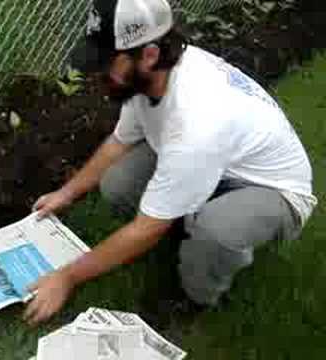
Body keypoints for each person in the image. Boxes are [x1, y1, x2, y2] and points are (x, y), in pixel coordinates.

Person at [23, 0, 318, 326]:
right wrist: (66, 193)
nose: (98, 73)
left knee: (216, 230)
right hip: (218, 162)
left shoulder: (196, 121)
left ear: (148, 55)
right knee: (118, 183)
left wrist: (67, 277)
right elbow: (118, 142)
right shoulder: (149, 77)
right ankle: (184, 222)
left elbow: (147, 230)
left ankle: (196, 297)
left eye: (107, 62)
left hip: (273, 189)